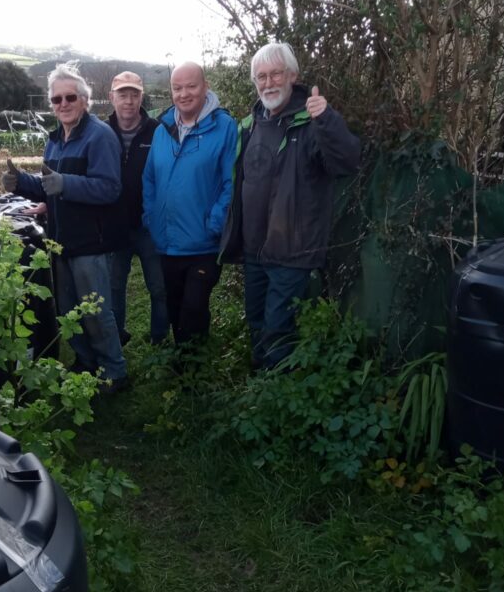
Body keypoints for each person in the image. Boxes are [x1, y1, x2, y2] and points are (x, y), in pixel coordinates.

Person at [219, 41, 361, 370]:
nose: (268, 83)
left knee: (278, 328)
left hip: (291, 250)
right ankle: (261, 380)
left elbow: (347, 162)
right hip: (254, 248)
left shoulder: (311, 123)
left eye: (276, 74)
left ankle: (276, 394)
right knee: (256, 319)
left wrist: (326, 119)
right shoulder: (249, 125)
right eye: (261, 77)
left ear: (293, 76)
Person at [2, 62, 128, 391]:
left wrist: (66, 184)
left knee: (96, 313)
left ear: (85, 100)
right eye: (56, 100)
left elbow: (110, 188)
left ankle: (114, 371)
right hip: (60, 242)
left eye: (70, 97)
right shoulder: (56, 139)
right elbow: (49, 186)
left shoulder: (99, 136)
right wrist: (19, 183)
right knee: (70, 312)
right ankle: (86, 363)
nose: (63, 104)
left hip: (90, 242)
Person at [142, 61, 236, 345]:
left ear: (205, 87)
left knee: (193, 308)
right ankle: (187, 360)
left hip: (203, 242)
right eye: (177, 88)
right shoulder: (163, 130)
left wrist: (215, 222)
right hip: (168, 241)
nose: (184, 94)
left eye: (191, 86)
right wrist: (151, 217)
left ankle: (192, 369)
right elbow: (149, 179)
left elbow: (232, 181)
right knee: (174, 305)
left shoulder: (224, 127)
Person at [106, 70, 168, 346]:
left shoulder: (158, 131)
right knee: (115, 286)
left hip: (148, 225)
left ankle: (159, 337)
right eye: (123, 95)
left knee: (158, 286)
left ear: (142, 97)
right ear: (112, 98)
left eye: (134, 95)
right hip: (115, 225)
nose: (129, 101)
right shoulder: (101, 132)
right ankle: (117, 336)